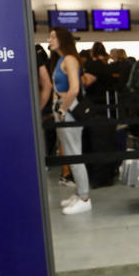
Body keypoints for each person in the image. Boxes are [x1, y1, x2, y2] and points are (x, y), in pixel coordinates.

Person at [48, 27, 91, 214]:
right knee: (69, 154)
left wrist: (63, 109)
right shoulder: (60, 60)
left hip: (69, 111)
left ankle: (84, 197)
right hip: (61, 109)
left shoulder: (70, 60)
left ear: (62, 39)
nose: (49, 39)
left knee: (75, 154)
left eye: (52, 36)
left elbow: (74, 89)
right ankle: (79, 193)